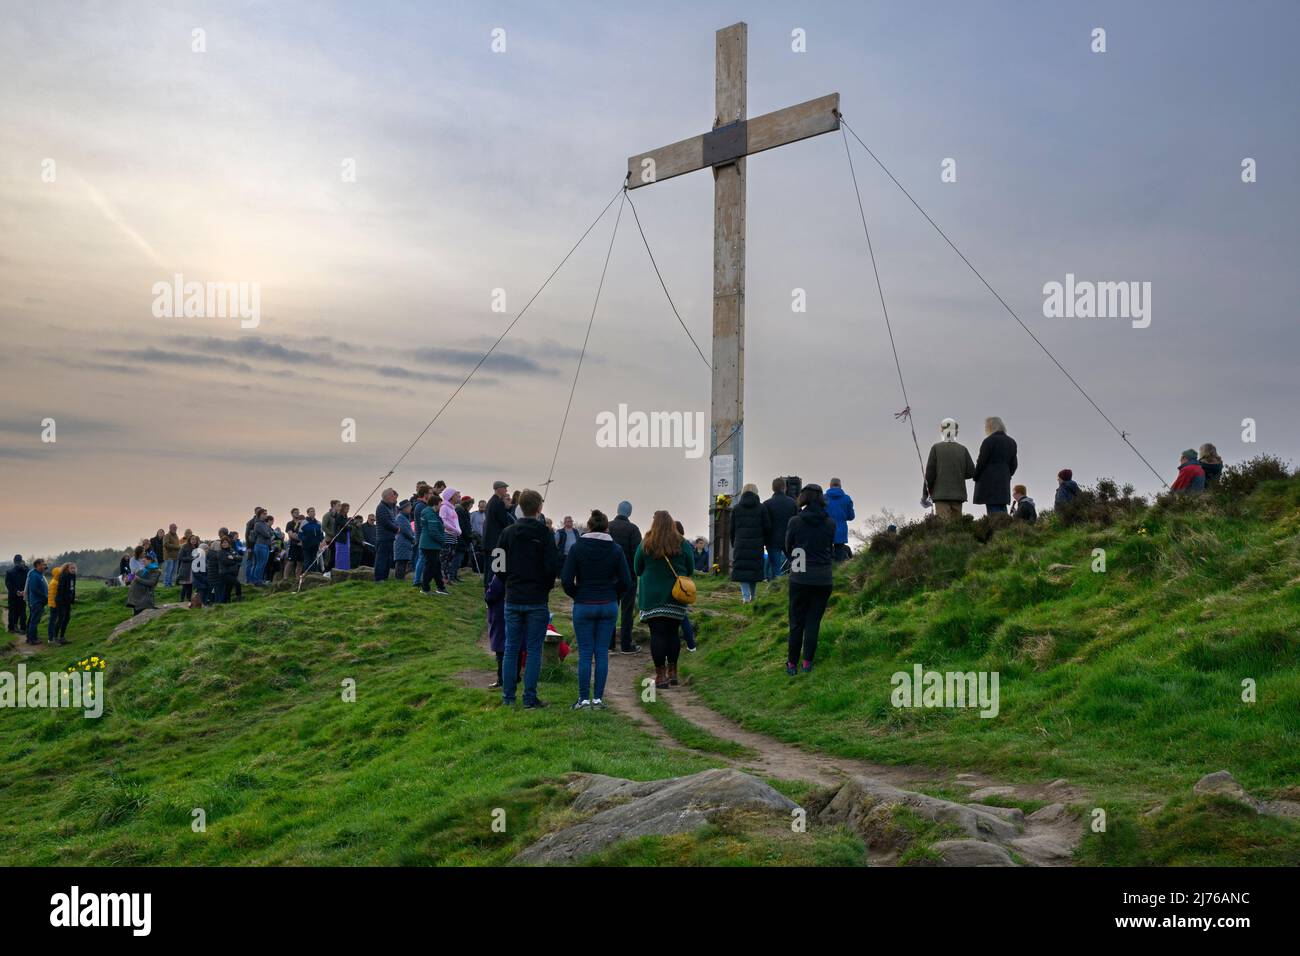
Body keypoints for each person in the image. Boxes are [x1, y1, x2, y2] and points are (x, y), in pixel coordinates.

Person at [561, 509, 630, 709]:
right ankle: (598, 699)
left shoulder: (577, 547)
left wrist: (578, 594)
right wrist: (612, 595)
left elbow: (566, 580)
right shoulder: (616, 549)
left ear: (588, 527)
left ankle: (583, 699)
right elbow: (626, 581)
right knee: (601, 653)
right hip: (607, 605)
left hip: (584, 604)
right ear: (607, 528)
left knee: (585, 653)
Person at [497, 489, 559, 709]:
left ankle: (508, 697)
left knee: (511, 647)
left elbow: (497, 565)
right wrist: (546, 586)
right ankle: (530, 698)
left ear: (519, 507)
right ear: (539, 508)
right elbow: (553, 566)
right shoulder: (545, 533)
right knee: (534, 650)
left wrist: (509, 582)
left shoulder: (507, 532)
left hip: (512, 596)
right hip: (537, 598)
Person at [633, 510, 695, 689]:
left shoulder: (646, 543)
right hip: (676, 597)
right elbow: (690, 569)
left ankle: (660, 676)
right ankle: (673, 672)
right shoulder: (682, 543)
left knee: (657, 635)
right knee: (673, 634)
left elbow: (637, 568)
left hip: (652, 598)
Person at [784, 484, 836, 675]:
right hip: (823, 578)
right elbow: (829, 548)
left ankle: (791, 664)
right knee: (813, 622)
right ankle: (807, 663)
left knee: (797, 622)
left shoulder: (795, 522)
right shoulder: (830, 523)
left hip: (799, 576)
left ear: (803, 498)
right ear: (821, 499)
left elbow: (788, 547)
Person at [925, 418, 976, 520]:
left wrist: (925, 494)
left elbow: (930, 474)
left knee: (944, 528)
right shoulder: (963, 449)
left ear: (942, 431)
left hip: (940, 496)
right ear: (956, 432)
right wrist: (959, 474)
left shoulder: (936, 448)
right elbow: (971, 472)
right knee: (956, 528)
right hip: (958, 496)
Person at [607, 500, 642, 653]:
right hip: (628, 576)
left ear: (617, 510)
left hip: (609, 576)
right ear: (629, 513)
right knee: (627, 611)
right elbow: (637, 555)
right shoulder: (633, 529)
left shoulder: (608, 527)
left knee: (611, 610)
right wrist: (637, 573)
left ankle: (609, 644)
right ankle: (626, 645)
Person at [729, 483, 768, 603]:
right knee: (753, 571)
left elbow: (732, 529)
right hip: (756, 544)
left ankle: (745, 598)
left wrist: (734, 543)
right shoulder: (762, 508)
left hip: (740, 543)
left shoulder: (736, 508)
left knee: (742, 571)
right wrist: (764, 541)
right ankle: (753, 596)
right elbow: (767, 526)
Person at [973, 417, 1018, 515]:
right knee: (1002, 508)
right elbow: (1014, 464)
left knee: (993, 510)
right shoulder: (1011, 442)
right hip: (1004, 481)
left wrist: (975, 476)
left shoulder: (988, 441)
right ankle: (1004, 529)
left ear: (990, 427)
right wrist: (1007, 474)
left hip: (989, 482)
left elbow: (981, 462)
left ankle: (996, 529)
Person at [762, 478, 798, 578]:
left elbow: (765, 524)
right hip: (789, 540)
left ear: (773, 488)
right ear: (784, 488)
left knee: (776, 568)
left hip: (772, 540)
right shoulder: (793, 503)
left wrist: (765, 539)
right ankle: (793, 584)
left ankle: (775, 587)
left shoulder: (767, 504)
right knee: (795, 565)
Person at [483, 481, 515, 589]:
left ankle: (487, 588)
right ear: (498, 489)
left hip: (488, 540)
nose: (506, 490)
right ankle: (491, 589)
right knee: (494, 567)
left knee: (488, 567)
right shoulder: (498, 503)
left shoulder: (491, 502)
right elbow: (504, 521)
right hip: (495, 540)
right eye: (504, 488)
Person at [417, 492, 448, 595]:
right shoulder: (430, 514)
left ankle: (440, 587)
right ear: (436, 503)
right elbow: (433, 531)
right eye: (440, 504)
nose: (441, 506)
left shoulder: (430, 512)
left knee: (436, 567)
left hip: (430, 544)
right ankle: (425, 588)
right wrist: (443, 540)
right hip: (430, 545)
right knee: (430, 567)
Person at [824, 478, 856, 561]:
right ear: (840, 486)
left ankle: (827, 571)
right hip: (841, 530)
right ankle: (838, 571)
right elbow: (851, 516)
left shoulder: (823, 498)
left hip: (826, 530)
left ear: (830, 485)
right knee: (840, 557)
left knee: (826, 555)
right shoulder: (847, 498)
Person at [373, 488, 400, 581]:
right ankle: (379, 578)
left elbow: (393, 520)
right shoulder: (381, 507)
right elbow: (386, 522)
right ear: (388, 496)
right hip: (383, 538)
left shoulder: (389, 507)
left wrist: (396, 527)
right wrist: (397, 529)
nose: (394, 498)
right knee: (381, 559)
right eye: (393, 495)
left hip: (390, 538)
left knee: (388, 559)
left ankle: (384, 577)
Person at [439, 489, 463, 584]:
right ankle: (442, 579)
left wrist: (458, 530)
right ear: (451, 496)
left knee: (450, 558)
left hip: (453, 536)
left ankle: (447, 578)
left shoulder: (452, 508)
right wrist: (455, 530)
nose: (459, 496)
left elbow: (455, 522)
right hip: (447, 535)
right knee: (445, 558)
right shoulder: (444, 507)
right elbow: (443, 521)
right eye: (456, 495)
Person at [24, 559, 48, 645]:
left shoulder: (39, 574)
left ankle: (31, 637)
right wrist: (44, 596)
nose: (45, 566)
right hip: (36, 602)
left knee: (33, 620)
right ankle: (32, 639)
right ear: (37, 565)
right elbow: (34, 589)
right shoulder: (34, 575)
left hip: (38, 601)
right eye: (43, 565)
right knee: (34, 621)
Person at [53, 562, 76, 643]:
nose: (73, 570)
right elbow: (61, 590)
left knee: (67, 618)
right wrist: (65, 598)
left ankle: (62, 637)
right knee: (61, 618)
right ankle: (55, 637)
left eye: (74, 568)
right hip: (61, 600)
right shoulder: (63, 576)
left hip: (67, 601)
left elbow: (73, 588)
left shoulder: (73, 576)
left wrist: (72, 599)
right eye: (71, 568)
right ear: (67, 569)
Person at [394, 499, 416, 580]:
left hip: (405, 543)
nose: (411, 508)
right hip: (402, 543)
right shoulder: (400, 517)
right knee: (401, 562)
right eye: (409, 506)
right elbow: (405, 531)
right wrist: (413, 538)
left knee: (403, 561)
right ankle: (399, 579)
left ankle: (401, 578)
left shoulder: (404, 517)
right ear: (405, 508)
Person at [6, 554, 29, 633]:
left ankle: (11, 628)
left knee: (12, 611)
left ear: (14, 561)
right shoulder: (26, 570)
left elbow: (8, 584)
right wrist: (23, 591)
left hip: (13, 594)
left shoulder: (9, 572)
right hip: (23, 594)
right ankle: (23, 628)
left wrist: (16, 591)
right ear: (21, 560)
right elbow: (28, 582)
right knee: (22, 611)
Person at [250, 512, 274, 585]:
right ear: (260, 515)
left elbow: (271, 532)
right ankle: (256, 581)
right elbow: (267, 534)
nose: (266, 515)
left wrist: (269, 532)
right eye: (264, 514)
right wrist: (269, 533)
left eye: (266, 514)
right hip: (260, 545)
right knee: (260, 564)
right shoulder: (258, 524)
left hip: (265, 545)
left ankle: (260, 579)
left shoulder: (264, 524)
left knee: (263, 564)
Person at [299, 508, 323, 574]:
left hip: (315, 545)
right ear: (308, 513)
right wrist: (305, 539)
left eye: (314, 511)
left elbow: (321, 534)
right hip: (307, 545)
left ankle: (313, 574)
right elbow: (300, 534)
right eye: (311, 511)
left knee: (314, 560)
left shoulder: (318, 523)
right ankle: (305, 574)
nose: (313, 512)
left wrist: (320, 540)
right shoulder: (304, 522)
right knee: (307, 560)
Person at [46, 564, 65, 643]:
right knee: (52, 621)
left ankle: (52, 637)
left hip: (53, 604)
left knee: (53, 621)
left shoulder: (54, 581)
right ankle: (51, 639)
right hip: (54, 605)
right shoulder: (56, 583)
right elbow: (56, 596)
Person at [190, 538, 208, 608]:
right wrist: (204, 579)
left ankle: (203, 606)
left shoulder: (205, 559)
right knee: (200, 596)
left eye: (207, 549)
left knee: (204, 596)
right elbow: (196, 573)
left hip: (204, 581)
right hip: (199, 582)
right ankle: (198, 606)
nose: (207, 550)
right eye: (205, 549)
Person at [177, 535, 195, 602]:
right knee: (185, 585)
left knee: (190, 585)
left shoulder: (195, 547)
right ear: (189, 540)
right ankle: (181, 599)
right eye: (192, 539)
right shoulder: (184, 546)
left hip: (192, 569)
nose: (194, 540)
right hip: (186, 568)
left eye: (195, 539)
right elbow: (180, 557)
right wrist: (190, 558)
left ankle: (189, 599)